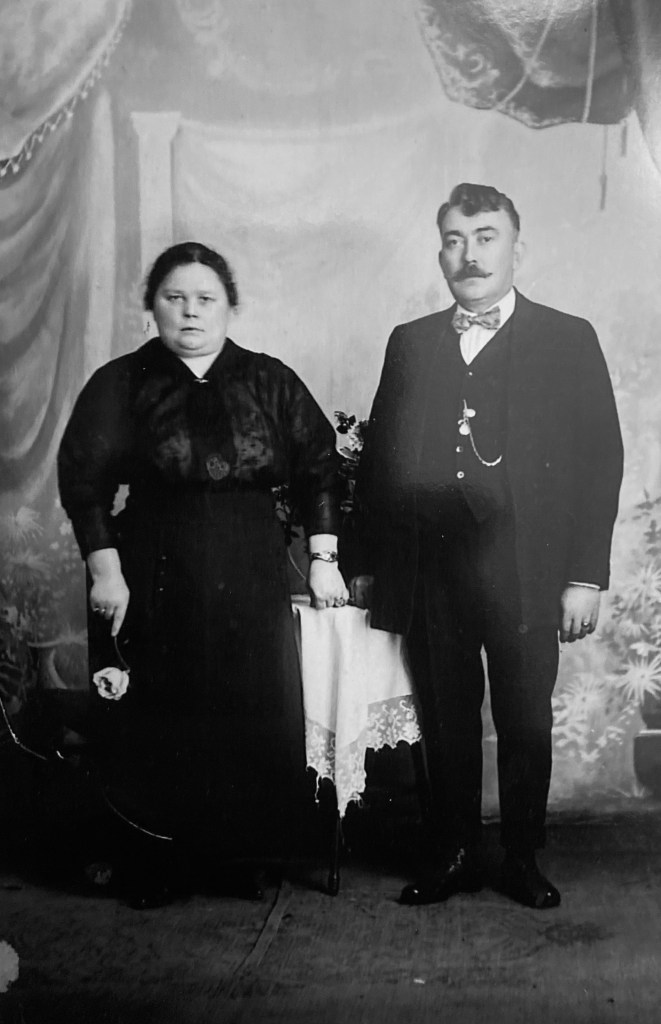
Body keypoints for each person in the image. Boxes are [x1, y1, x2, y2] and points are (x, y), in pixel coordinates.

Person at [349, 183, 623, 909]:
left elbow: (601, 460)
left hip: (527, 571)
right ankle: (455, 852)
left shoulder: (568, 338)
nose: (468, 255)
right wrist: (367, 564)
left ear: (515, 250)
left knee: (525, 718)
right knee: (444, 718)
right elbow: (380, 460)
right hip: (432, 569)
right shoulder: (411, 342)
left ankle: (522, 856)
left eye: (485, 237)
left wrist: (584, 575)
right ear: (440, 252)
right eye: (454, 240)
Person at [58, 241, 348, 906]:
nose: (190, 312)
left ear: (229, 308)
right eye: (174, 298)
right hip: (154, 562)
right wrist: (106, 570)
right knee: (161, 709)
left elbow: (320, 467)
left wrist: (324, 558)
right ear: (152, 307)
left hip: (250, 564)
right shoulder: (122, 382)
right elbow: (83, 481)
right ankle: (157, 862)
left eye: (205, 299)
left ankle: (238, 858)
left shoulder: (269, 379)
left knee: (248, 704)